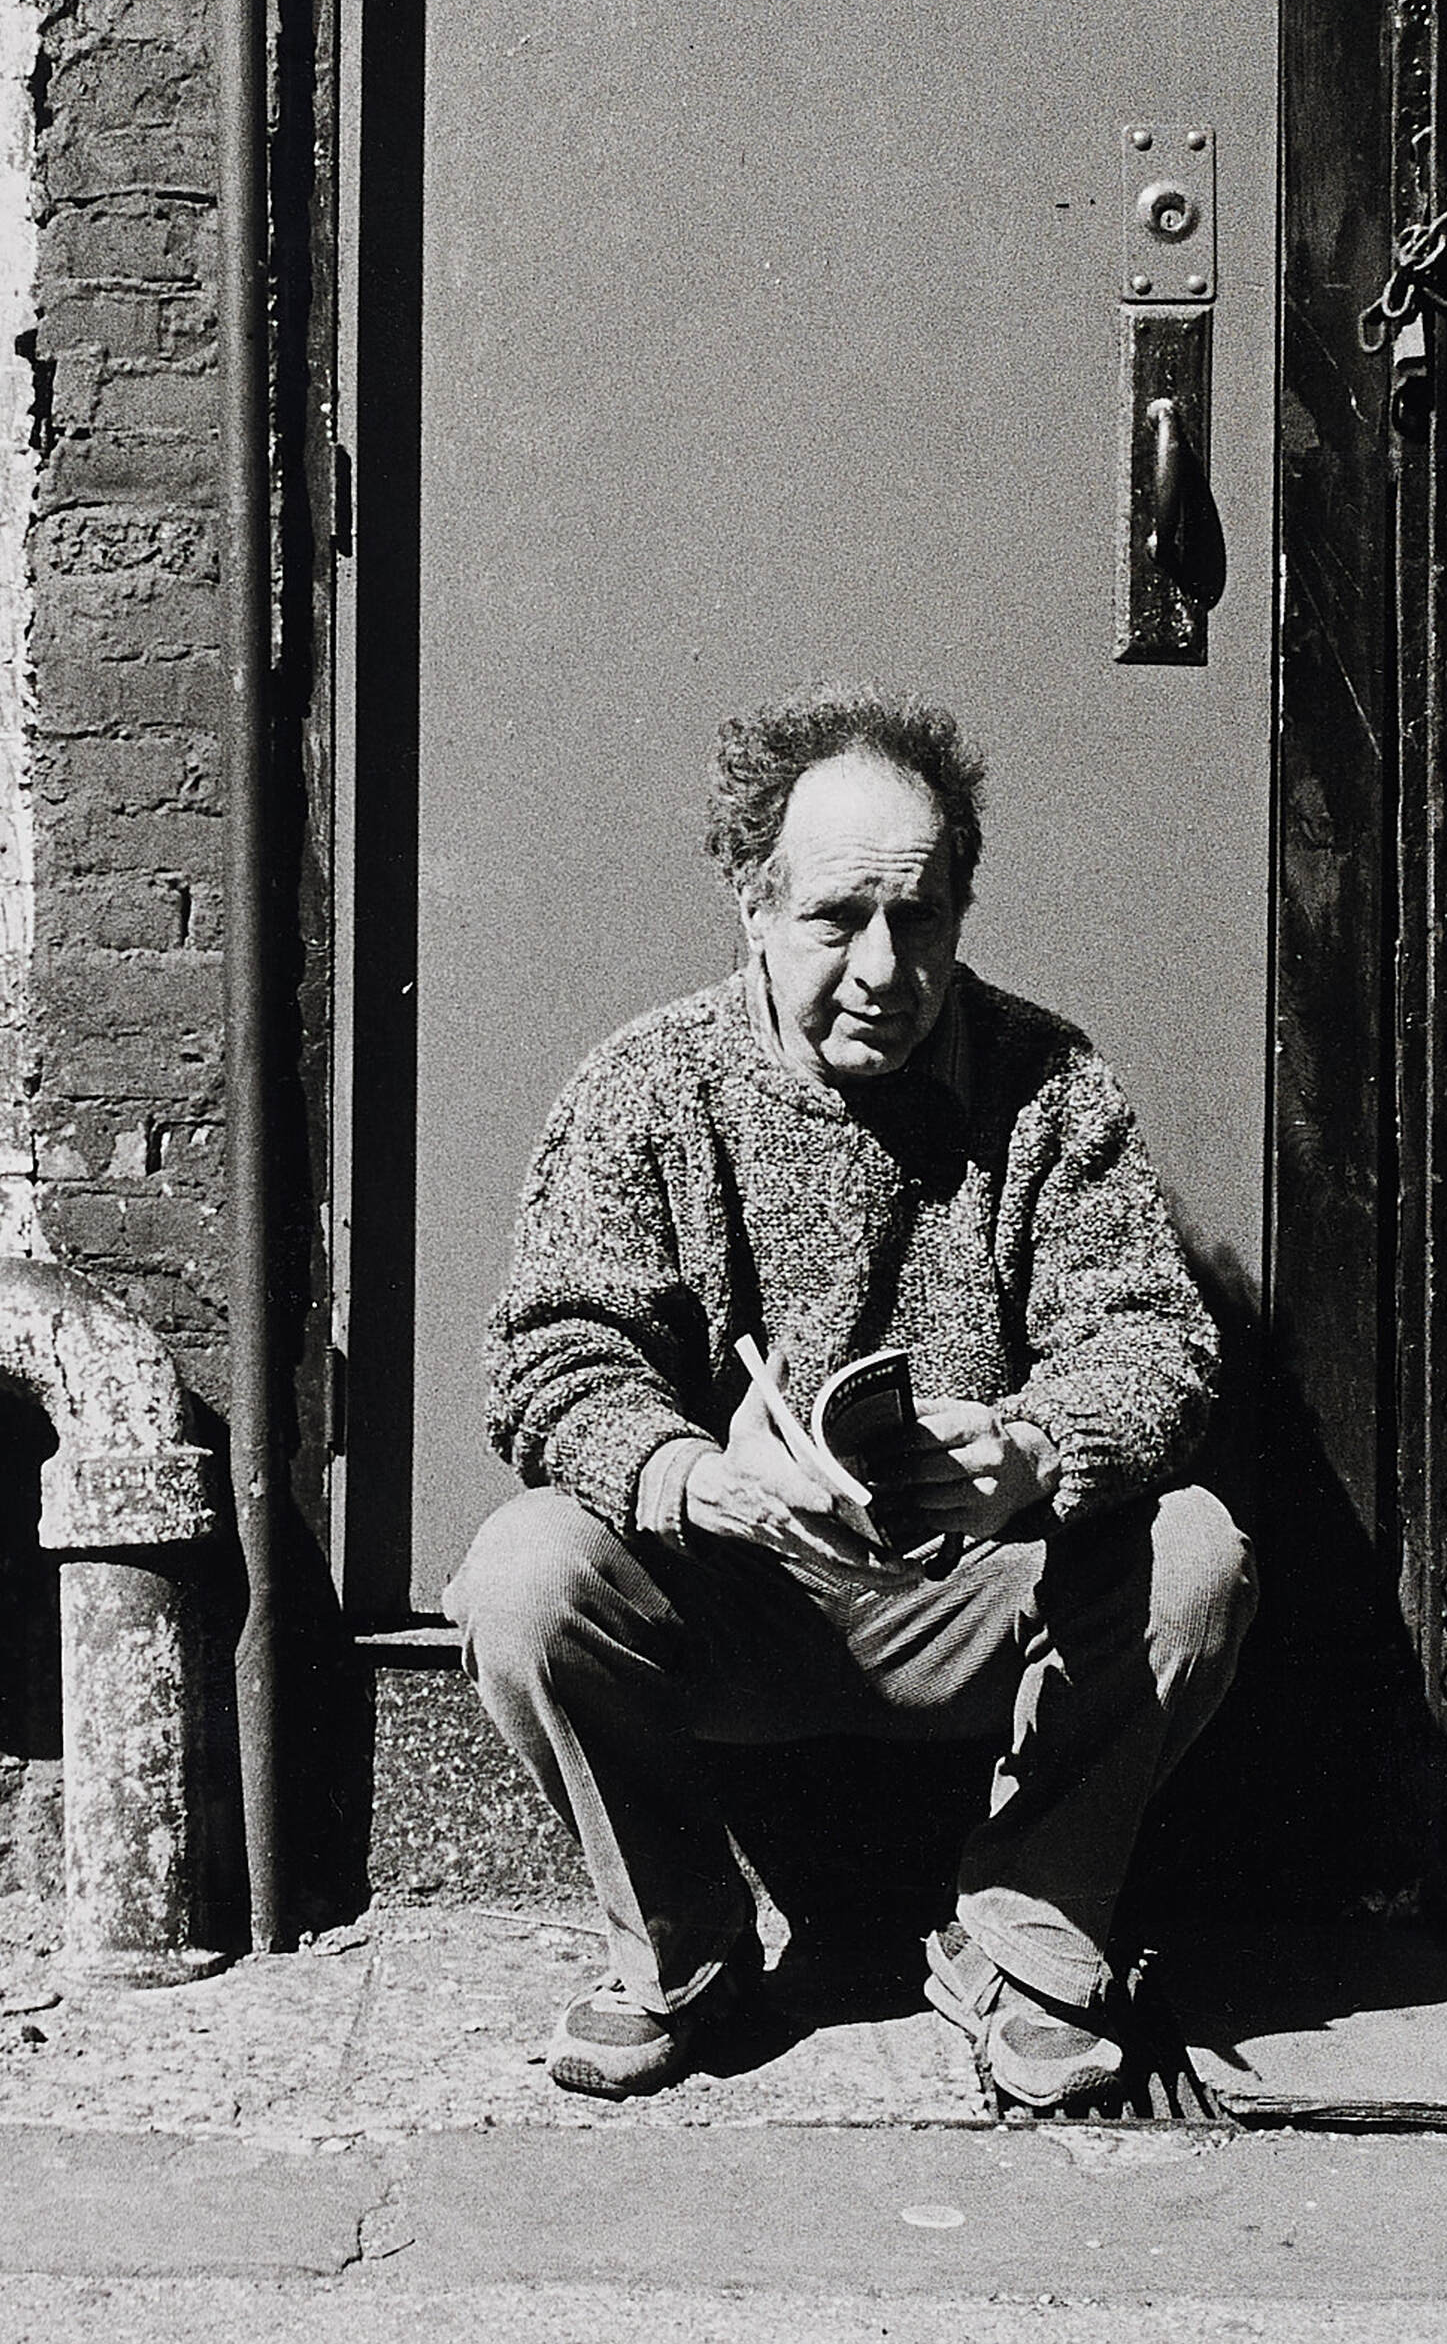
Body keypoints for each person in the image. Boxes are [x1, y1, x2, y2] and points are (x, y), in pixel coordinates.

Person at [449, 691, 1256, 2107]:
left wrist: (1033, 1446)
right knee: (518, 1576)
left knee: (1197, 1558)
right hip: (732, 1596)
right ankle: (684, 1949)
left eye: (924, 916)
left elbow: (1155, 1342)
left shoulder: (1049, 1086)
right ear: (750, 906)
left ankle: (1021, 1941)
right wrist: (689, 1474)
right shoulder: (649, 1089)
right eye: (839, 917)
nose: (888, 966)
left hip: (974, 1594)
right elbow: (548, 1352)